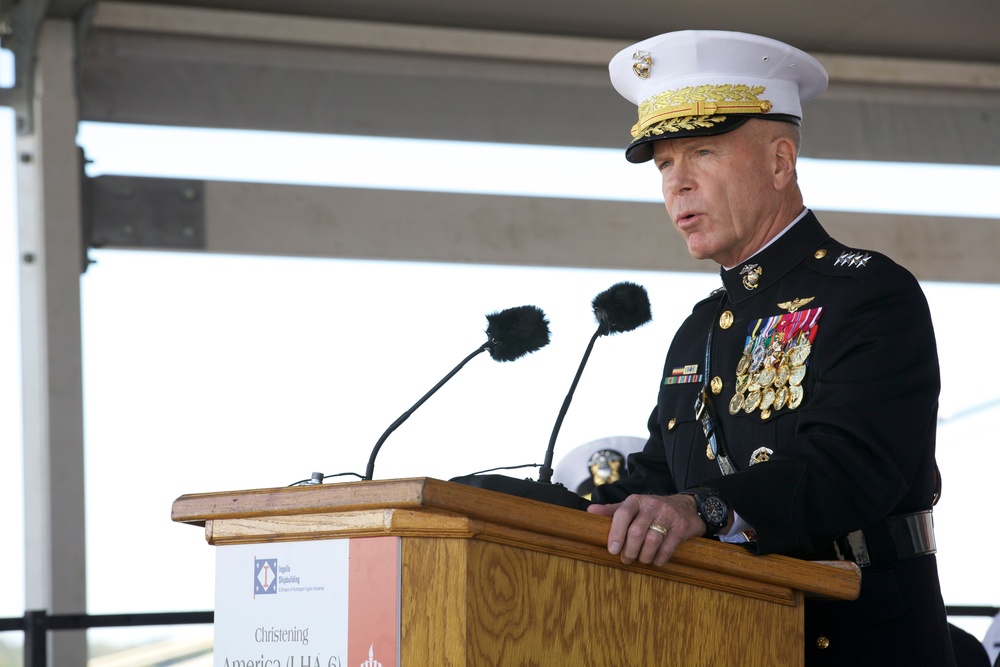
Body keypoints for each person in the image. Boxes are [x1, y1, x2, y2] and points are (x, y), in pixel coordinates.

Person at [586, 30, 956, 666]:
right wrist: (524, 503)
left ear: (781, 162)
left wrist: (702, 507)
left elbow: (852, 467)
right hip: (720, 638)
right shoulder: (701, 329)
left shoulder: (867, 292)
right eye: (665, 164)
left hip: (855, 639)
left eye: (701, 151)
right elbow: (657, 479)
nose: (677, 184)